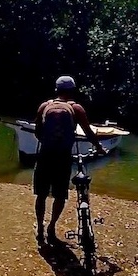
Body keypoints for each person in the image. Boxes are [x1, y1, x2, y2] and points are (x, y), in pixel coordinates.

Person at [33, 75, 105, 245]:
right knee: (60, 194)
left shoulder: (45, 106)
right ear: (72, 90)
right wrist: (99, 148)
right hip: (63, 157)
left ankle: (40, 228)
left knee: (41, 194)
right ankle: (51, 227)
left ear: (56, 89)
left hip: (45, 155)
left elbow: (37, 132)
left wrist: (47, 143)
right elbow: (88, 132)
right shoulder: (77, 109)